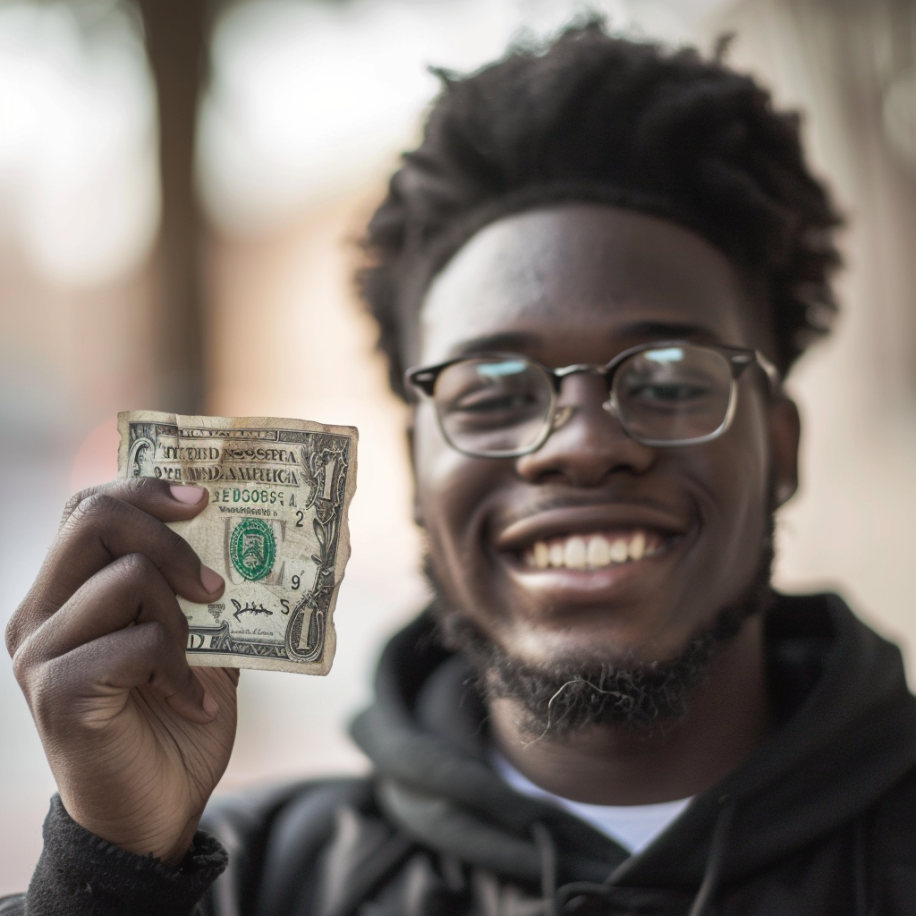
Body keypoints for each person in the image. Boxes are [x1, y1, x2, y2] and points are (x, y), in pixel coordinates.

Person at [5, 19, 916, 916]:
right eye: (492, 390)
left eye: (671, 379)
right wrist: (105, 876)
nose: (582, 443)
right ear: (413, 468)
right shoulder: (236, 883)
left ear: (783, 444)